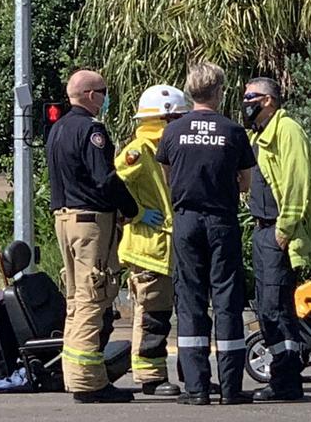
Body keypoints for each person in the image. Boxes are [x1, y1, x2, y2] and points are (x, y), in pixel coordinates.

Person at [156, 62, 256, 406]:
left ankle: (196, 389)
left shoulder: (172, 131)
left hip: (186, 221)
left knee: (190, 301)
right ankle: (230, 387)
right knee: (227, 300)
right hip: (221, 220)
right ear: (219, 91)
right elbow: (246, 181)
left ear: (190, 92)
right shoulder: (232, 132)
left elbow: (169, 175)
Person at [47, 69, 139, 404]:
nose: (106, 97)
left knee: (77, 299)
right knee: (93, 297)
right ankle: (88, 382)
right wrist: (132, 207)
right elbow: (105, 179)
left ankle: (77, 375)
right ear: (89, 95)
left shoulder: (58, 129)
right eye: (103, 91)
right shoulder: (91, 130)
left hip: (65, 220)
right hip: (90, 224)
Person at [242, 77, 311, 403]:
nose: (246, 101)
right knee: (269, 307)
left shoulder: (287, 130)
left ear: (268, 100)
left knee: (276, 308)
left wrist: (286, 228)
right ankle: (282, 377)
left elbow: (297, 182)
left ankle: (287, 382)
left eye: (251, 96)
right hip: (264, 229)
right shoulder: (262, 133)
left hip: (278, 231)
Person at [114, 84, 190, 398]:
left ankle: (188, 375)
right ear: (167, 119)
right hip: (149, 247)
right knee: (152, 314)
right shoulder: (139, 150)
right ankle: (150, 377)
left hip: (170, 245)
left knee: (172, 312)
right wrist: (137, 213)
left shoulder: (171, 145)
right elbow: (113, 185)